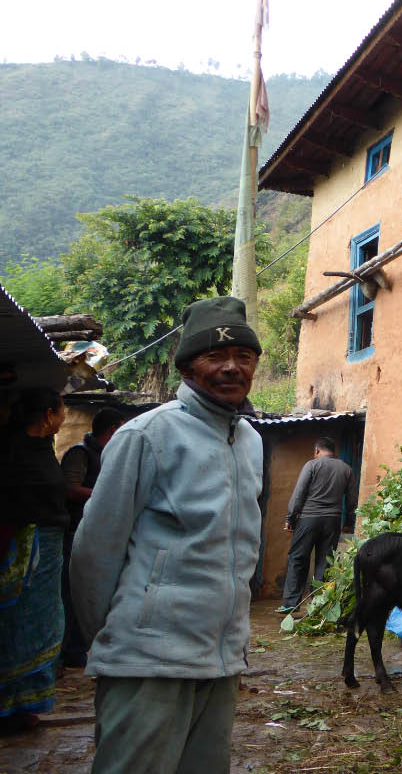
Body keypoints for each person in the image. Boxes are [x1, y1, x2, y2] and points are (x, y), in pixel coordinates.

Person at [72, 297, 263, 774]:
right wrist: (115, 639)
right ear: (186, 367)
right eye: (215, 356)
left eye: (244, 356)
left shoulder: (252, 441)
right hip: (147, 661)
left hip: (220, 662)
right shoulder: (146, 435)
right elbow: (95, 550)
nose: (232, 367)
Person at [0, 388, 68, 733]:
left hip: (49, 547)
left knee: (45, 621)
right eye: (61, 410)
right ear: (48, 415)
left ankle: (27, 702)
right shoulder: (12, 450)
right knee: (18, 622)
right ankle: (8, 705)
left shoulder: (43, 448)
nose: (64, 416)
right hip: (24, 548)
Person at [60, 407, 126, 669]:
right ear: (112, 430)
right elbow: (69, 488)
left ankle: (79, 649)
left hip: (98, 533)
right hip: (74, 531)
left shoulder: (107, 454)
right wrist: (104, 494)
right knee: (71, 593)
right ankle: (69, 652)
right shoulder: (81, 453)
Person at [278, 436, 356, 614]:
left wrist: (290, 518)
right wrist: (348, 523)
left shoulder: (312, 465)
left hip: (309, 518)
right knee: (325, 562)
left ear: (317, 450)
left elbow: (299, 493)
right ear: (333, 451)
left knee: (298, 558)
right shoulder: (347, 469)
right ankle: (319, 606)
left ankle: (291, 603)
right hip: (333, 521)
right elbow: (351, 500)